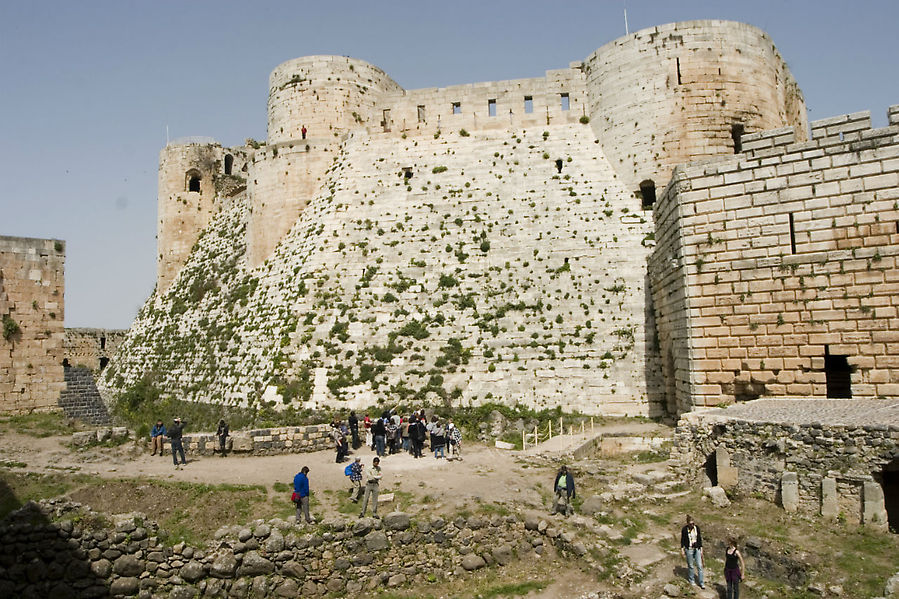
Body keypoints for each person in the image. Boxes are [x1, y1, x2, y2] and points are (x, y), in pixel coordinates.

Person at [680, 515, 705, 589]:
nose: (692, 525)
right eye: (690, 524)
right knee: (691, 565)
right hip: (689, 548)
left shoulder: (697, 528)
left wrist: (701, 548)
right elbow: (682, 540)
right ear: (687, 523)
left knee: (699, 565)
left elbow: (699, 538)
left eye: (693, 523)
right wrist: (682, 549)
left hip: (697, 548)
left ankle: (701, 582)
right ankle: (692, 580)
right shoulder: (684, 529)